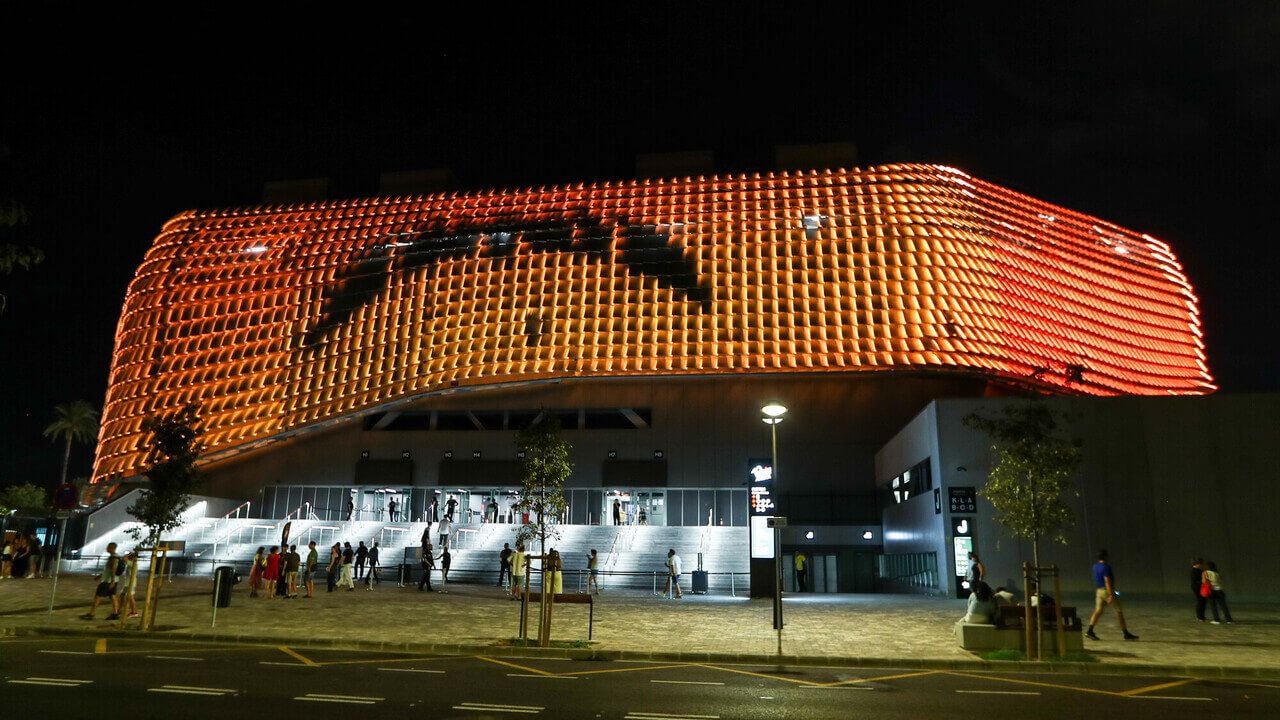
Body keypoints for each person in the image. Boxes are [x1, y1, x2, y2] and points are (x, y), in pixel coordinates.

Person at [1086, 550, 1138, 641]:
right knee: (1119, 610)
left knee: (1097, 611)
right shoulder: (1106, 567)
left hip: (1098, 591)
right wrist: (1110, 595)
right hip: (1106, 591)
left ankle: (1090, 630)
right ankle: (1126, 633)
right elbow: (1107, 581)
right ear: (1105, 557)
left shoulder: (1095, 566)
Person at [81, 542, 121, 620]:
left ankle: (92, 614)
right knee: (113, 596)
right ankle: (115, 613)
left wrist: (112, 581)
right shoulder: (116, 557)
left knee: (98, 596)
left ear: (112, 548)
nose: (106, 548)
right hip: (113, 580)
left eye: (108, 547)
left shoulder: (114, 557)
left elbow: (113, 569)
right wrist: (100, 576)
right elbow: (108, 570)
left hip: (107, 581)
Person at [116, 550, 140, 619]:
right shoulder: (132, 563)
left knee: (130, 597)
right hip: (128, 583)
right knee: (122, 596)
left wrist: (128, 554)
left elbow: (124, 559)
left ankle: (134, 612)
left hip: (131, 583)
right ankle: (119, 610)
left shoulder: (132, 563)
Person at [1191, 558, 1207, 622]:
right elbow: (1196, 580)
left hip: (1198, 587)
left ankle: (1201, 616)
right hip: (1197, 587)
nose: (1200, 564)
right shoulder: (1194, 571)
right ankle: (1200, 616)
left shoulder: (1197, 570)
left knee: (1202, 601)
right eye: (1199, 563)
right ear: (1197, 564)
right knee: (1201, 601)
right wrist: (1202, 582)